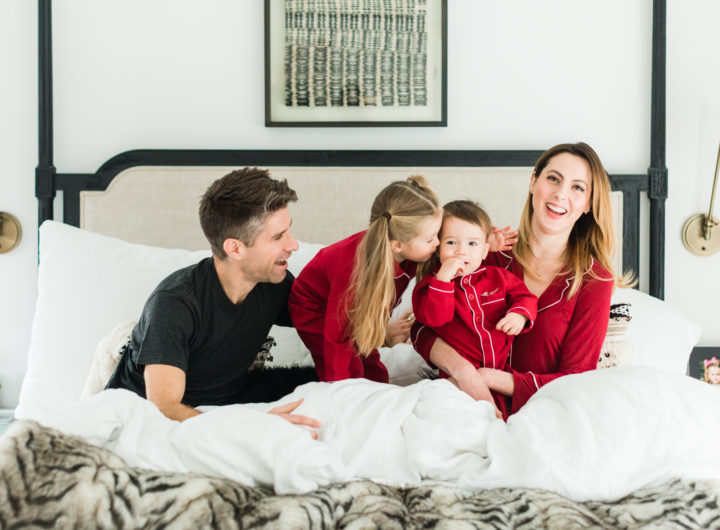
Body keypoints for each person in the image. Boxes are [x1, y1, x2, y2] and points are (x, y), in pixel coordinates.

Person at [412, 142, 629, 419]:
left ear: (588, 204)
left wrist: (489, 378)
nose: (561, 194)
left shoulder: (594, 280)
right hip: (459, 402)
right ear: (533, 182)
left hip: (542, 416)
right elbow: (422, 329)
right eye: (553, 179)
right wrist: (464, 373)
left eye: (577, 187)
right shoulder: (484, 254)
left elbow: (577, 378)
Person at [106, 167, 321, 435]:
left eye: (288, 231)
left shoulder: (272, 283)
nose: (293, 245)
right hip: (147, 420)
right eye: (278, 237)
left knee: (324, 386)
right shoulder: (174, 303)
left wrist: (384, 333)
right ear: (235, 248)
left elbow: (325, 321)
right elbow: (164, 408)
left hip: (224, 399)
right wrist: (251, 427)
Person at [288, 176, 442, 383]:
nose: (438, 243)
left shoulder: (406, 250)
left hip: (352, 308)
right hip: (315, 308)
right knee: (348, 368)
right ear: (397, 245)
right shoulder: (353, 271)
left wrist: (488, 245)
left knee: (374, 370)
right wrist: (342, 388)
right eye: (431, 239)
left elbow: (452, 259)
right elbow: (337, 337)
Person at [412, 200, 538, 400]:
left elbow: (525, 296)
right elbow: (437, 319)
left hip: (499, 373)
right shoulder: (429, 287)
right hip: (455, 377)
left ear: (484, 251)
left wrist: (519, 315)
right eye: (451, 242)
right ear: (438, 248)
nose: (462, 251)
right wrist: (444, 279)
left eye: (472, 244)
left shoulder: (498, 277)